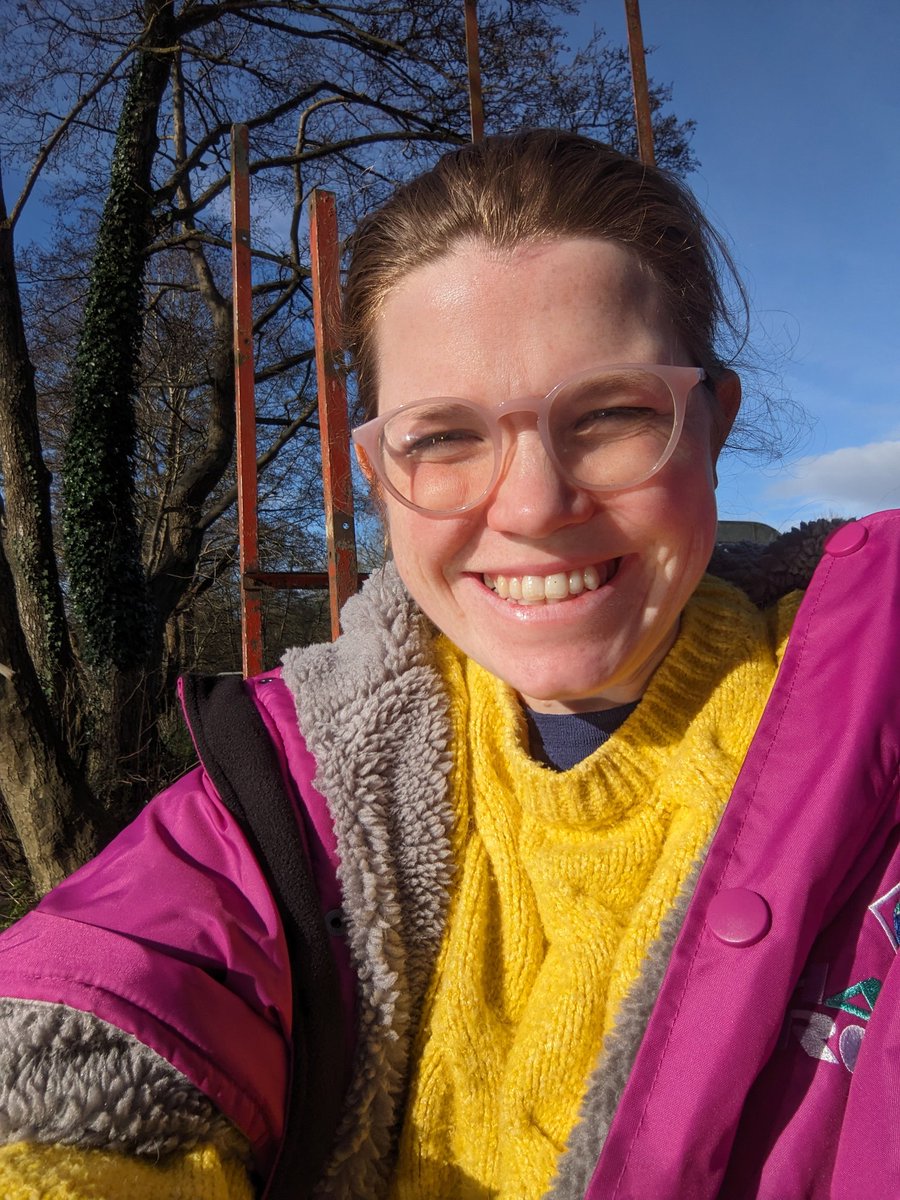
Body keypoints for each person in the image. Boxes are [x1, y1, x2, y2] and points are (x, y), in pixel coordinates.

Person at [0, 129, 897, 1200]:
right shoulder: (291, 785)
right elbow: (84, 1028)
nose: (530, 508)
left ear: (712, 424)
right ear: (377, 475)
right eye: (444, 438)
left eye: (612, 414)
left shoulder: (873, 738)